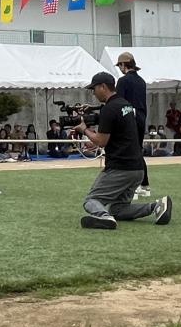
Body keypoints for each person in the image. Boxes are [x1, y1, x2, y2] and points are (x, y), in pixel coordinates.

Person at [70, 72, 171, 230]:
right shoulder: (126, 105)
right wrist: (95, 138)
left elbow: (101, 141)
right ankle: (156, 206)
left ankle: (104, 217)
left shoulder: (109, 109)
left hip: (120, 168)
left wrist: (84, 130)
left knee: (91, 201)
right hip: (137, 169)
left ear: (103, 87)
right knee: (118, 209)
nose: (93, 93)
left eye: (94, 89)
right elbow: (120, 134)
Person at [114, 52, 150, 198]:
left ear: (124, 64)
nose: (120, 68)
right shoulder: (141, 81)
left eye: (120, 65)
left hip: (128, 119)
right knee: (137, 151)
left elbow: (118, 102)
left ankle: (131, 188)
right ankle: (144, 185)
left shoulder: (123, 81)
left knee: (128, 153)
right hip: (141, 118)